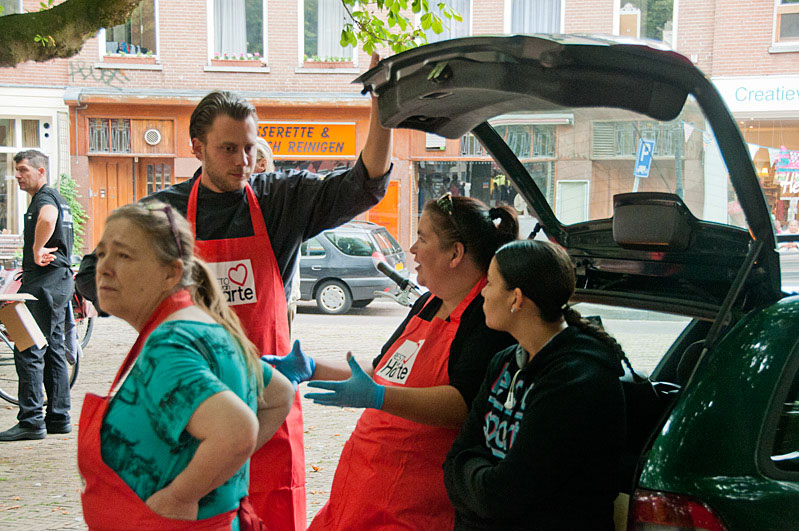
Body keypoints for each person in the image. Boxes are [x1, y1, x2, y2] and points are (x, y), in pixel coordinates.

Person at [76, 54, 391, 529]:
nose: (243, 161)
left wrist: (382, 108)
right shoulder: (164, 214)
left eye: (249, 148)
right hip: (192, 404)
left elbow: (362, 185)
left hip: (268, 400)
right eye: (228, 149)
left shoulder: (280, 197)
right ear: (197, 147)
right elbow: (90, 275)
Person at [266, 193, 519, 529]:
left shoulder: (485, 317)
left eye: (422, 239)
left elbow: (463, 403)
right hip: (362, 486)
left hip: (411, 505)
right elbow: (378, 370)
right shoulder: (428, 303)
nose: (412, 249)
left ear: (455, 254)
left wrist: (379, 397)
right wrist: (312, 367)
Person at [78, 202, 295, 528]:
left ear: (171, 273)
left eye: (124, 255)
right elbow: (278, 393)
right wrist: (216, 472)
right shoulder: (204, 325)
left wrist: (180, 496)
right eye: (102, 253)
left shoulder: (171, 343)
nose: (104, 268)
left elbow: (237, 432)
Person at [443, 240, 631, 529]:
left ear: (516, 299)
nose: (482, 292)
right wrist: (481, 487)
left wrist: (474, 481)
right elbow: (453, 462)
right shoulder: (504, 361)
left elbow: (503, 495)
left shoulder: (577, 380)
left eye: (490, 283)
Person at [0, 150, 74, 442]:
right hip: (59, 280)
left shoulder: (45, 199)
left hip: (44, 282)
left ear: (40, 171)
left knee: (27, 345)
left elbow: (48, 217)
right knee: (53, 348)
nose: (17, 175)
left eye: (22, 170)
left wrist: (36, 248)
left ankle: (31, 420)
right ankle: (58, 417)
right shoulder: (56, 196)